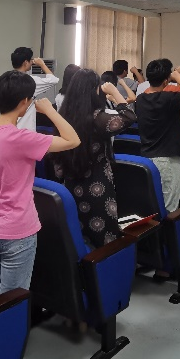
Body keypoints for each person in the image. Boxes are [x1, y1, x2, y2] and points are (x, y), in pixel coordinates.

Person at [0, 72, 80, 302]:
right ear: (24, 102)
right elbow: (73, 140)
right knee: (12, 302)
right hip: (18, 232)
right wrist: (49, 111)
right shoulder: (23, 138)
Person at [51, 69, 136, 247]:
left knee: (79, 232)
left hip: (71, 183)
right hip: (98, 186)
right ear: (94, 90)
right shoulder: (98, 118)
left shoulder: (63, 116)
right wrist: (114, 92)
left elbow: (57, 158)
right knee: (105, 235)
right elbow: (129, 116)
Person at [134, 60, 180, 211]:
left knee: (155, 205)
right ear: (165, 81)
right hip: (166, 161)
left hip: (148, 158)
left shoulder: (140, 99)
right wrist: (178, 76)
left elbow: (159, 121)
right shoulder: (167, 98)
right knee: (170, 208)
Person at [11, 47, 59, 131]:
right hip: (25, 129)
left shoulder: (6, 80)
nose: (31, 63)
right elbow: (54, 80)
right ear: (26, 62)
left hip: (9, 128)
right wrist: (42, 64)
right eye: (30, 60)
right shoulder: (31, 81)